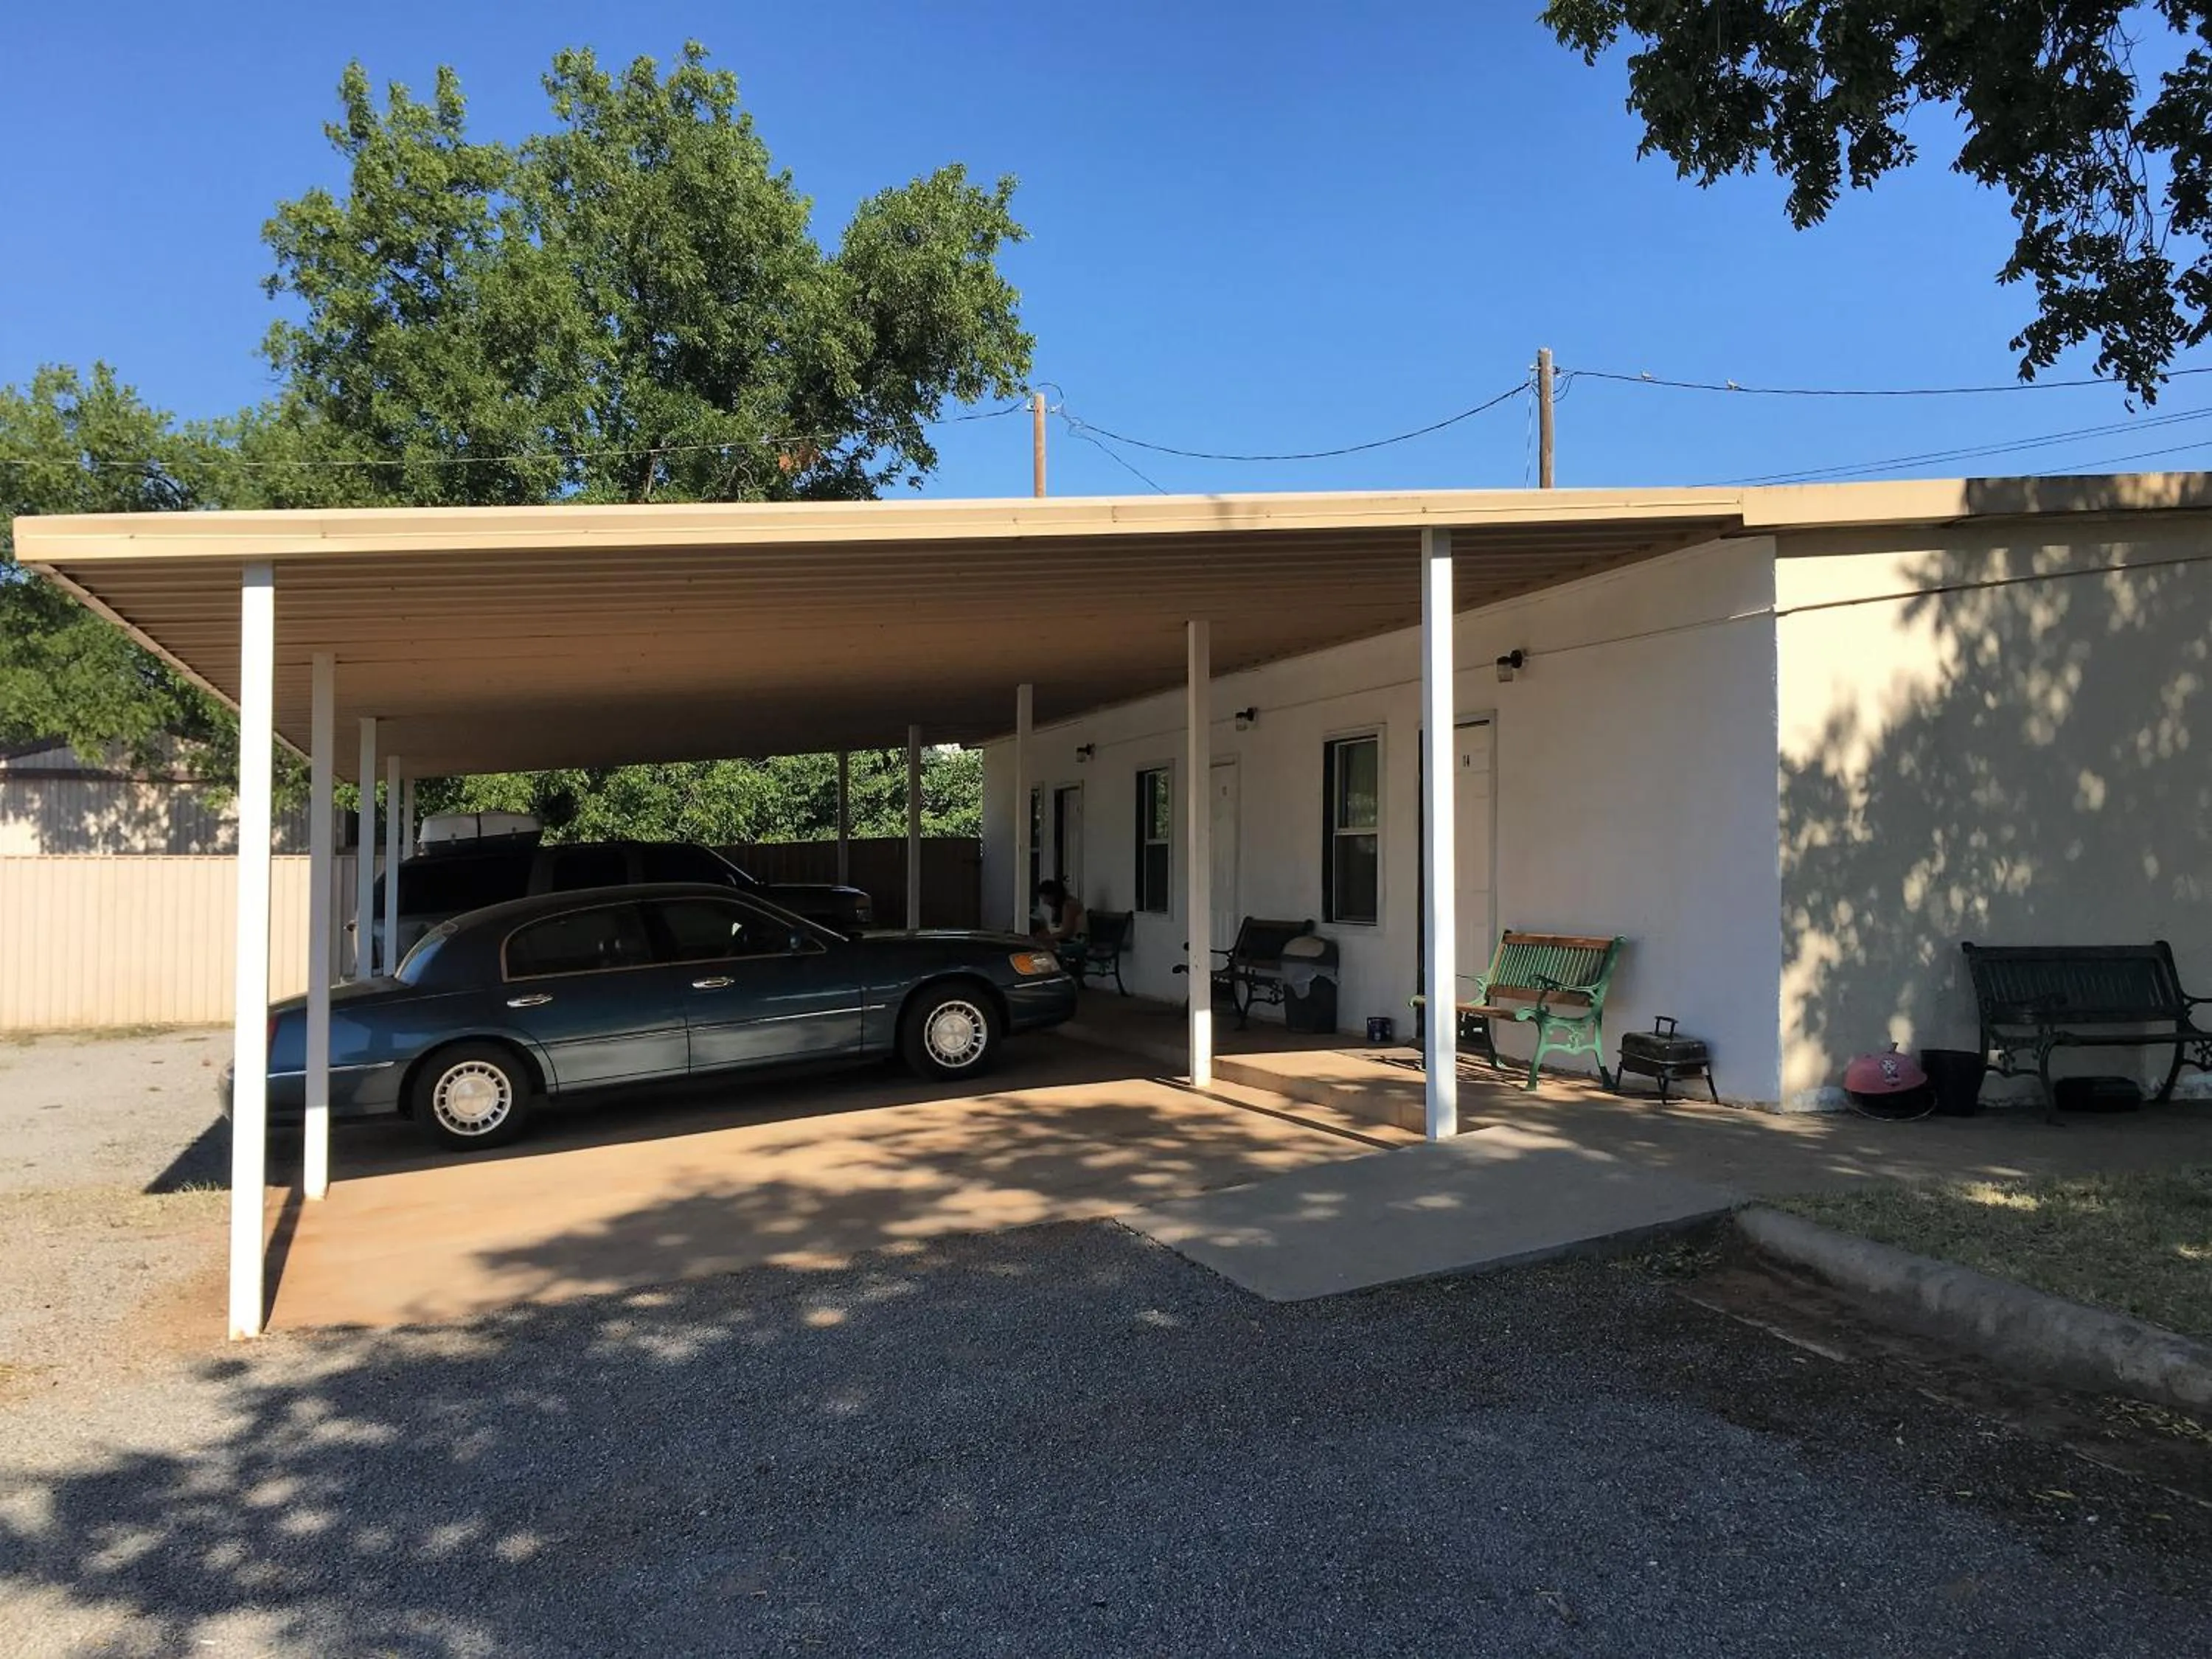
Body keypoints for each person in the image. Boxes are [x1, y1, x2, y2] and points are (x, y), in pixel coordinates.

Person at [1032, 878, 1085, 945]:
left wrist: (1046, 938)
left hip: (1075, 945)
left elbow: (1067, 933)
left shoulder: (1070, 905)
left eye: (1046, 899)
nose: (1045, 902)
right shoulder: (1061, 906)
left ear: (1053, 895)